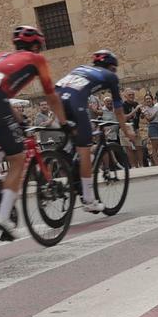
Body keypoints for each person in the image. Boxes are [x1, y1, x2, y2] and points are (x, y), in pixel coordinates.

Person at [0, 25, 67, 238]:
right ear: (36, 45)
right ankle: (2, 218)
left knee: (1, 146)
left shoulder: (1, 56)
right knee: (18, 159)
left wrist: (18, 118)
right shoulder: (36, 59)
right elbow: (51, 96)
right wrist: (63, 123)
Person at [57, 49, 123, 211]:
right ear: (111, 67)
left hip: (57, 98)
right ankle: (88, 199)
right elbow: (118, 109)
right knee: (85, 150)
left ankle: (69, 172)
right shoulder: (110, 76)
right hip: (75, 103)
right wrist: (126, 128)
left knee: (73, 143)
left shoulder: (81, 69)